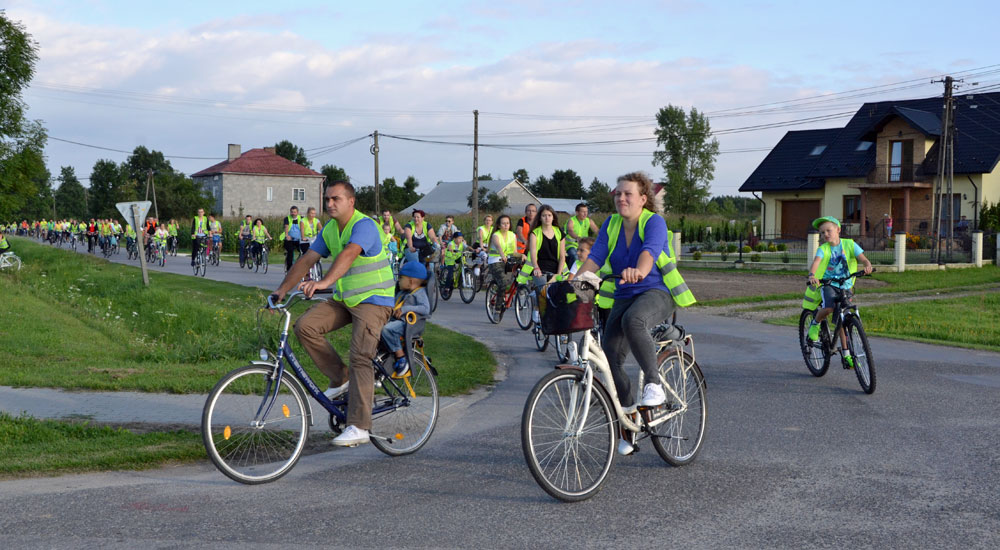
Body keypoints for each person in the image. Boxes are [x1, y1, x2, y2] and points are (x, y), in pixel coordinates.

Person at [576, 172, 696, 456]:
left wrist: (640, 271)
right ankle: (629, 421)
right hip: (625, 294)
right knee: (611, 354)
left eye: (628, 194)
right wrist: (572, 280)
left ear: (643, 199)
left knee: (634, 321)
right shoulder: (611, 224)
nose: (621, 198)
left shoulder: (653, 222)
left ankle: (654, 385)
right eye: (618, 194)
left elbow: (649, 252)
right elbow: (596, 257)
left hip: (657, 291)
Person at [272, 181, 395, 448]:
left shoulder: (364, 226)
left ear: (351, 201)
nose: (329, 204)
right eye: (327, 199)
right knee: (305, 326)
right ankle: (341, 377)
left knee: (361, 356)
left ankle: (360, 426)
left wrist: (324, 282)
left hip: (375, 301)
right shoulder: (329, 229)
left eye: (335, 199)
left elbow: (350, 253)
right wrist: (281, 290)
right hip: (346, 300)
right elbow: (306, 260)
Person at [804, 216, 873, 367]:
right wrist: (812, 275)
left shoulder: (849, 244)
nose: (825, 234)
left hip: (846, 285)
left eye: (828, 230)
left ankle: (847, 355)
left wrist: (867, 265)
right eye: (822, 233)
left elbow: (863, 258)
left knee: (843, 317)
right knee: (829, 308)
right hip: (829, 284)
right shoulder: (824, 249)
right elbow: (816, 262)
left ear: (838, 230)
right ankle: (815, 324)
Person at [517, 204, 566, 323]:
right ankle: (536, 308)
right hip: (540, 268)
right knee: (544, 292)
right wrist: (536, 268)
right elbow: (533, 253)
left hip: (556, 267)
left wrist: (559, 273)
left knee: (563, 295)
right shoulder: (535, 233)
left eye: (549, 215)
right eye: (544, 215)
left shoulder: (559, 232)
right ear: (540, 218)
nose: (547, 218)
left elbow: (562, 255)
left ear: (553, 217)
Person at [381, 261, 431, 376]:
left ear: (411, 281)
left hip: (408, 324)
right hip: (397, 321)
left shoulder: (419, 293)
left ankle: (401, 358)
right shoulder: (402, 292)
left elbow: (425, 309)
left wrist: (406, 309)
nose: (398, 281)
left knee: (387, 330)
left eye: (401, 278)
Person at [487, 214, 518, 285]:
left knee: (519, 275)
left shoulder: (512, 235)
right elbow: (498, 247)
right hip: (495, 261)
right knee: (503, 282)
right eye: (503, 223)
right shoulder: (496, 235)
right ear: (498, 225)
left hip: (508, 260)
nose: (506, 225)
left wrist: (522, 256)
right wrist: (503, 256)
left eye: (507, 223)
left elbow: (515, 252)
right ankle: (500, 296)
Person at [283, 205, 303, 272]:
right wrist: (287, 235)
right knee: (290, 252)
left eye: (294, 212)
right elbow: (286, 227)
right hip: (290, 239)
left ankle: (299, 264)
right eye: (292, 212)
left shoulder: (302, 219)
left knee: (303, 251)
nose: (293, 213)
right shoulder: (287, 219)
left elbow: (304, 228)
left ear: (297, 212)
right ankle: (289, 269)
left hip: (299, 239)